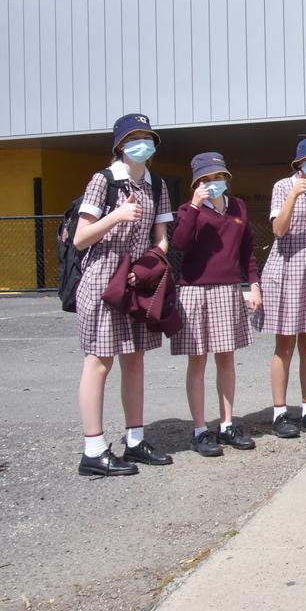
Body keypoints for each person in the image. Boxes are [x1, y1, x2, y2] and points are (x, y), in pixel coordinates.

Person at [74, 113, 176, 476]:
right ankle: (93, 450)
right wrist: (116, 216)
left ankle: (135, 440)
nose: (142, 144)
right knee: (99, 360)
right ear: (120, 145)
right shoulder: (103, 180)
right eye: (134, 138)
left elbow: (161, 239)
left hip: (136, 279)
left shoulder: (156, 184)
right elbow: (81, 238)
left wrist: (148, 265)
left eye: (147, 137)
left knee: (135, 359)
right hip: (103, 278)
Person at [171, 153, 262, 457]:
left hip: (228, 288)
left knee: (226, 358)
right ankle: (199, 430)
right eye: (207, 179)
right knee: (197, 360)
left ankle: (226, 424)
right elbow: (179, 243)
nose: (214, 183)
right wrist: (195, 206)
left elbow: (247, 250)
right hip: (194, 290)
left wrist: (254, 283)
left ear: (227, 178)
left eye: (219, 177)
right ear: (196, 183)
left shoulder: (238, 207)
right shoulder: (187, 210)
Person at [261, 138, 306, 439]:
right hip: (285, 271)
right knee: (285, 344)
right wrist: (293, 194)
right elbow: (278, 229)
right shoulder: (283, 186)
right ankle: (279, 412)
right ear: (299, 163)